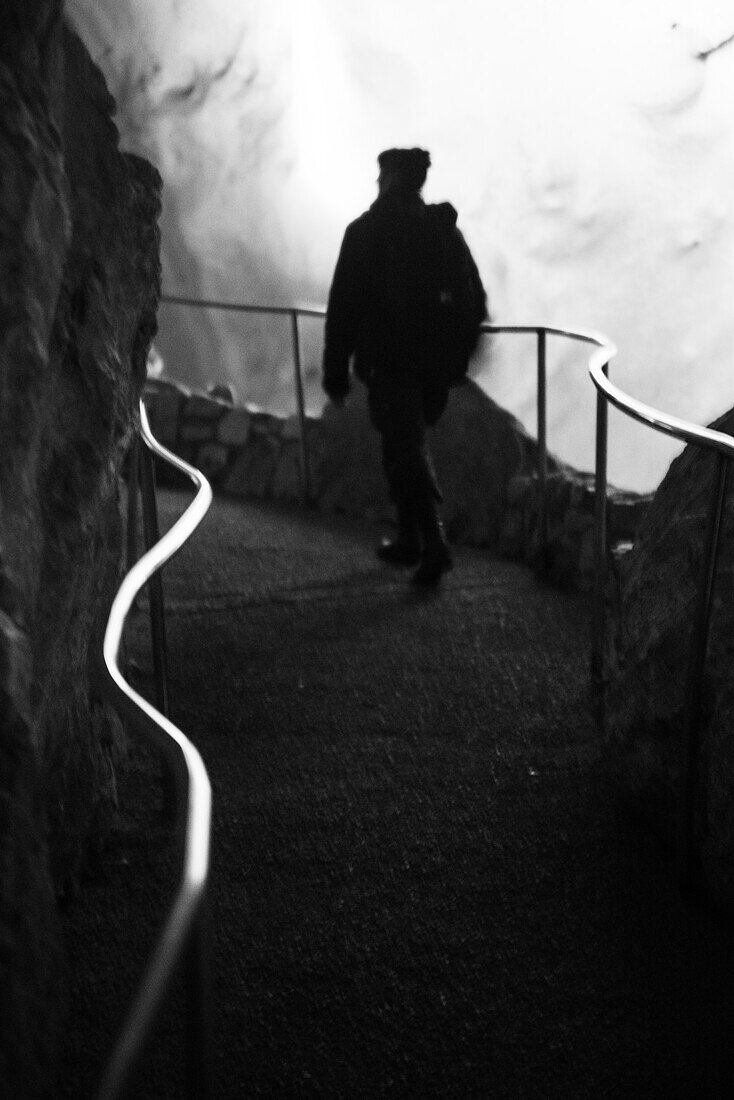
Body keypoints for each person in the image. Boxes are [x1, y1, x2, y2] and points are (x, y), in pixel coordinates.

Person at [322, 146, 488, 584]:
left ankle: (433, 544)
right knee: (404, 446)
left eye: (382, 175)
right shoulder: (442, 232)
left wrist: (335, 373)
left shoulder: (366, 232)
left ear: (391, 177)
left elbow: (344, 308)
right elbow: (476, 297)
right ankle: (412, 540)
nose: (377, 183)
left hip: (389, 364)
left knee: (406, 450)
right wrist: (457, 358)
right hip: (432, 368)